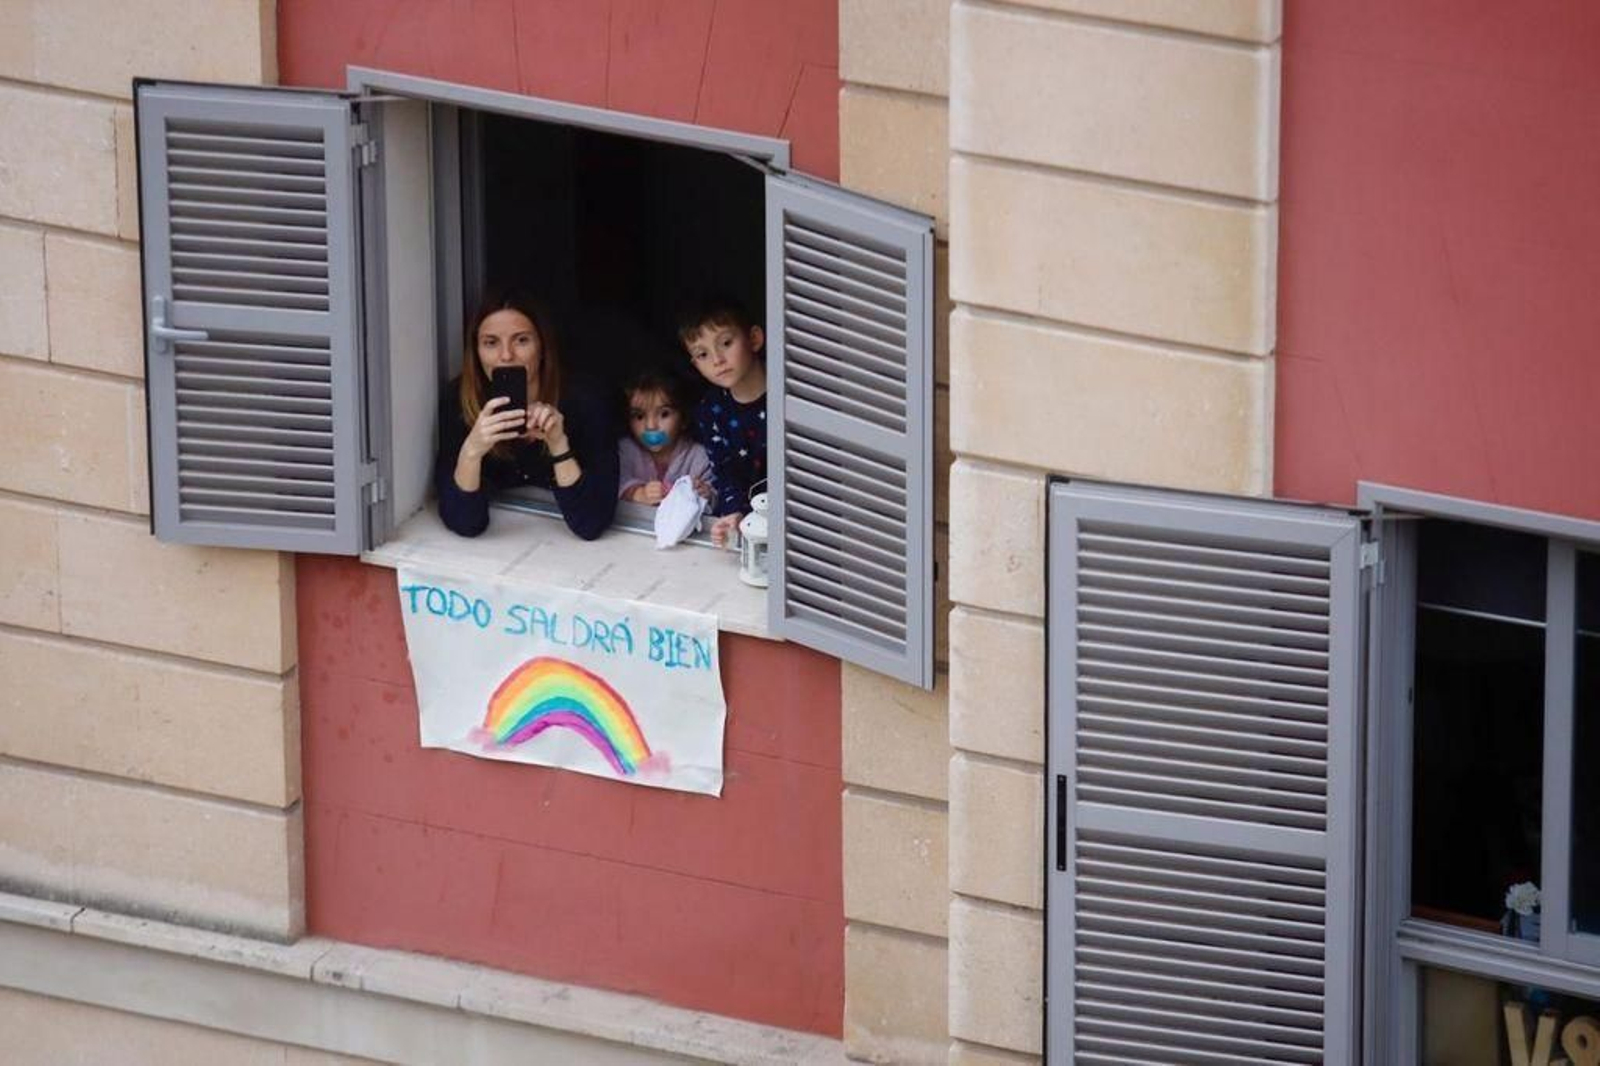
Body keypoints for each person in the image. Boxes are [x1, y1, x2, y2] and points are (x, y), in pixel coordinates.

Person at [436, 289, 618, 540]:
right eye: (491, 342)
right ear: (476, 352)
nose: (506, 355)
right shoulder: (459, 400)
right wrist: (472, 451)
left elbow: (590, 523)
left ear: (542, 346)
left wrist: (558, 444)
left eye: (521, 340)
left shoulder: (584, 400)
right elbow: (465, 522)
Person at [679, 296, 766, 547]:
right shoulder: (710, 410)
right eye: (703, 354)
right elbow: (725, 473)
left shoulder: (789, 395)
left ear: (754, 339)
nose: (717, 360)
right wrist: (733, 514)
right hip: (753, 528)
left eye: (726, 343)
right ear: (695, 364)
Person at [616, 367, 712, 505]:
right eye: (639, 416)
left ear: (683, 419)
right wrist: (638, 493)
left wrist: (705, 492)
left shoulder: (699, 456)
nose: (651, 426)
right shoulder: (625, 450)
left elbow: (715, 498)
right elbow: (614, 483)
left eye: (664, 414)